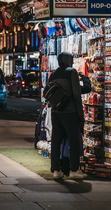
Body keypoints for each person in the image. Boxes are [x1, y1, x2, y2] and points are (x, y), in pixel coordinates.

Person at [48, 52, 87, 180]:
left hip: (56, 111)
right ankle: (74, 169)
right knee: (74, 140)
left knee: (56, 140)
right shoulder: (72, 72)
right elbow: (76, 95)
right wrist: (80, 114)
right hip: (70, 112)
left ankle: (56, 170)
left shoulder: (53, 73)